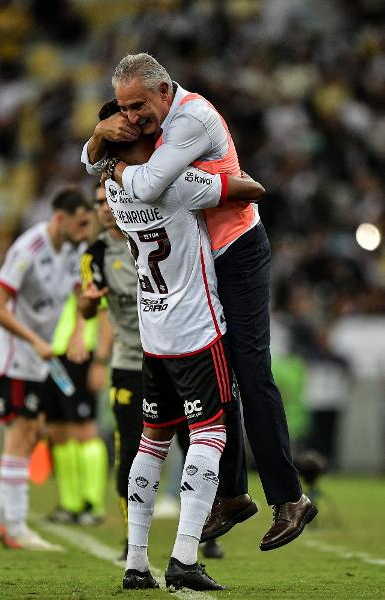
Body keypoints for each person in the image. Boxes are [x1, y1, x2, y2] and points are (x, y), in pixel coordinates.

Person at [82, 53, 317, 552]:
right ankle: (231, 495)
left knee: (250, 372)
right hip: (203, 260)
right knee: (214, 377)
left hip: (236, 251)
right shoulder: (155, 128)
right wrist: (103, 144)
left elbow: (145, 182)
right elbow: (95, 162)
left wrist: (109, 156)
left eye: (139, 107)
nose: (133, 118)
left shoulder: (188, 120)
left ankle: (290, 499)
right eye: (123, 109)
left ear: (165, 90)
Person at [89, 101, 267, 591]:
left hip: (153, 332)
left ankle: (136, 563)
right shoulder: (177, 184)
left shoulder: (111, 187)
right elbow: (249, 190)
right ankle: (186, 555)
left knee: (152, 441)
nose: (158, 134)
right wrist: (215, 166)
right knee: (210, 435)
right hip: (195, 329)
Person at [80, 182, 191, 559]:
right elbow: (89, 308)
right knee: (128, 451)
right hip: (130, 363)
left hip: (170, 354)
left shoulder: (150, 233)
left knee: (193, 443)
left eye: (108, 199)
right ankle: (133, 540)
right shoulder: (94, 255)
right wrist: (87, 305)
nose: (105, 208)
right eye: (98, 204)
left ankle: (207, 530)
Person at [0, 186, 92, 550]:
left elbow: (80, 293)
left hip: (40, 359)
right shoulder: (27, 250)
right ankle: (15, 527)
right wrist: (33, 340)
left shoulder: (75, 248)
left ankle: (3, 521)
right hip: (16, 356)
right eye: (80, 223)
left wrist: (78, 331)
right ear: (59, 217)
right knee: (24, 433)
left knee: (32, 434)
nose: (84, 231)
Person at [43, 290, 108, 526]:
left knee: (84, 430)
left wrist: (99, 360)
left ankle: (93, 504)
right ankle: (70, 504)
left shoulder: (83, 262)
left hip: (78, 355)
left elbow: (100, 310)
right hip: (50, 355)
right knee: (57, 432)